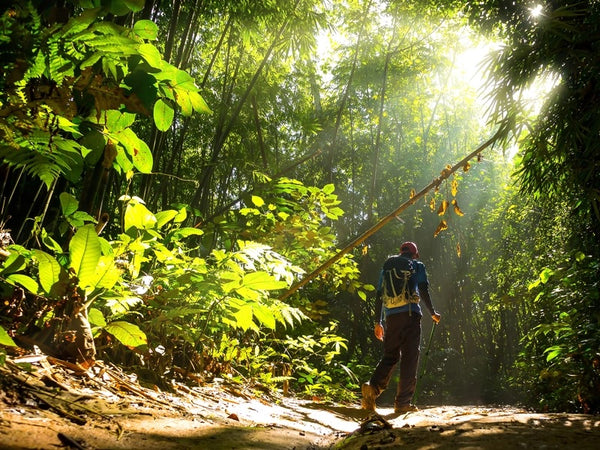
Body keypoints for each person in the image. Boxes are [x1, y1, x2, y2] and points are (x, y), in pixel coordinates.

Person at [361, 241, 441, 413]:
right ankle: (403, 403)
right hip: (411, 316)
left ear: (400, 252)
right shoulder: (417, 265)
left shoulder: (387, 267)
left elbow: (379, 294)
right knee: (410, 358)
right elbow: (423, 288)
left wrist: (378, 322)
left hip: (391, 317)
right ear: (414, 254)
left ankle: (372, 387)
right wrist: (432, 312)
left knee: (390, 355)